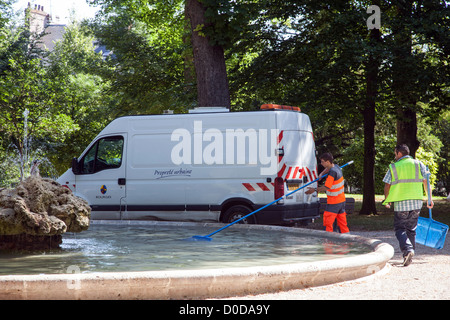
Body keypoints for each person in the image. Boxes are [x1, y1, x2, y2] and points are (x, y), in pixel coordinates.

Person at [382, 144, 433, 267]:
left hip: (401, 203)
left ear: (399, 153)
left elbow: (387, 185)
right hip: (416, 202)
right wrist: (429, 198)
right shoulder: (419, 164)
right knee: (411, 229)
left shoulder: (394, 167)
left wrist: (387, 199)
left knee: (400, 228)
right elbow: (426, 182)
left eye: (395, 153)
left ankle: (408, 250)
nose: (395, 156)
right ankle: (409, 254)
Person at [306, 153, 349, 234]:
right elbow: (328, 169)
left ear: (328, 162)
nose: (321, 163)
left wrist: (314, 189)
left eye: (322, 162)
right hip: (341, 201)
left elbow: (327, 187)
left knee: (328, 223)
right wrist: (321, 174)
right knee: (342, 223)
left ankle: (328, 243)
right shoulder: (336, 167)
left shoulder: (332, 173)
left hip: (333, 202)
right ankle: (347, 242)